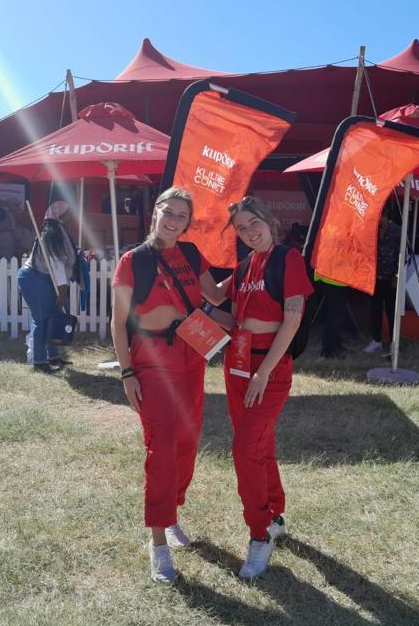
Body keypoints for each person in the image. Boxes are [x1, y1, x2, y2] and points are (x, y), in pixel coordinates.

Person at [110, 187, 226, 583]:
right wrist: (127, 373)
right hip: (152, 361)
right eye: (169, 212)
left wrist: (254, 264)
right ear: (155, 213)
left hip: (192, 356)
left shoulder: (192, 255)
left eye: (182, 216)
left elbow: (215, 294)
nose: (175, 220)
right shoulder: (133, 260)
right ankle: (158, 539)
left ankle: (173, 510)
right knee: (161, 448)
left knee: (187, 443)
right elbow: (117, 322)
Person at [224, 196, 313, 579]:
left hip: (269, 368)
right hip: (237, 364)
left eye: (252, 223)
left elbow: (291, 321)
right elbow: (216, 297)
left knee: (245, 450)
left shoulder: (287, 258)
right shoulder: (245, 265)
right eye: (241, 229)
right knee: (260, 445)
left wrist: (264, 373)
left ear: (268, 219)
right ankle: (274, 514)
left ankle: (259, 534)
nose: (248, 232)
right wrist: (184, 258)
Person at [17, 201, 77, 373]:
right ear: (60, 216)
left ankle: (53, 357)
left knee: (54, 317)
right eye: (68, 213)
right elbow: (56, 263)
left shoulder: (58, 232)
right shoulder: (51, 235)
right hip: (34, 278)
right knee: (42, 320)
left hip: (45, 279)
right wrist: (62, 289)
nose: (71, 216)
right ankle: (40, 362)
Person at [364, 213, 402, 354]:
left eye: (380, 216)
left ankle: (394, 342)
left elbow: (402, 254)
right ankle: (376, 340)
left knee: (392, 311)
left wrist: (397, 275)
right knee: (375, 310)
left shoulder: (397, 231)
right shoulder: (371, 230)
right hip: (374, 278)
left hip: (390, 278)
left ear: (386, 215)